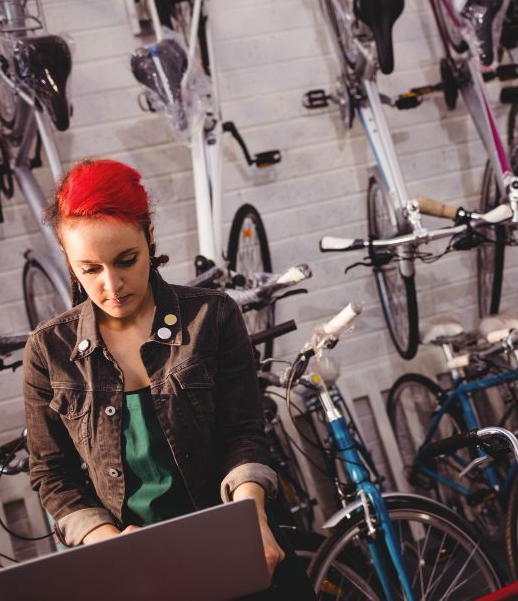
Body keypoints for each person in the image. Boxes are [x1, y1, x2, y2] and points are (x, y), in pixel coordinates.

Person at [22, 159, 313, 598]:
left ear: (150, 235)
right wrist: (109, 544)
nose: (112, 285)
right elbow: (51, 473)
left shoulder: (211, 316)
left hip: (239, 542)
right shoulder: (49, 351)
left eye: (126, 261)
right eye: (90, 270)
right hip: (138, 573)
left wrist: (250, 516)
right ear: (68, 258)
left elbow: (244, 434)